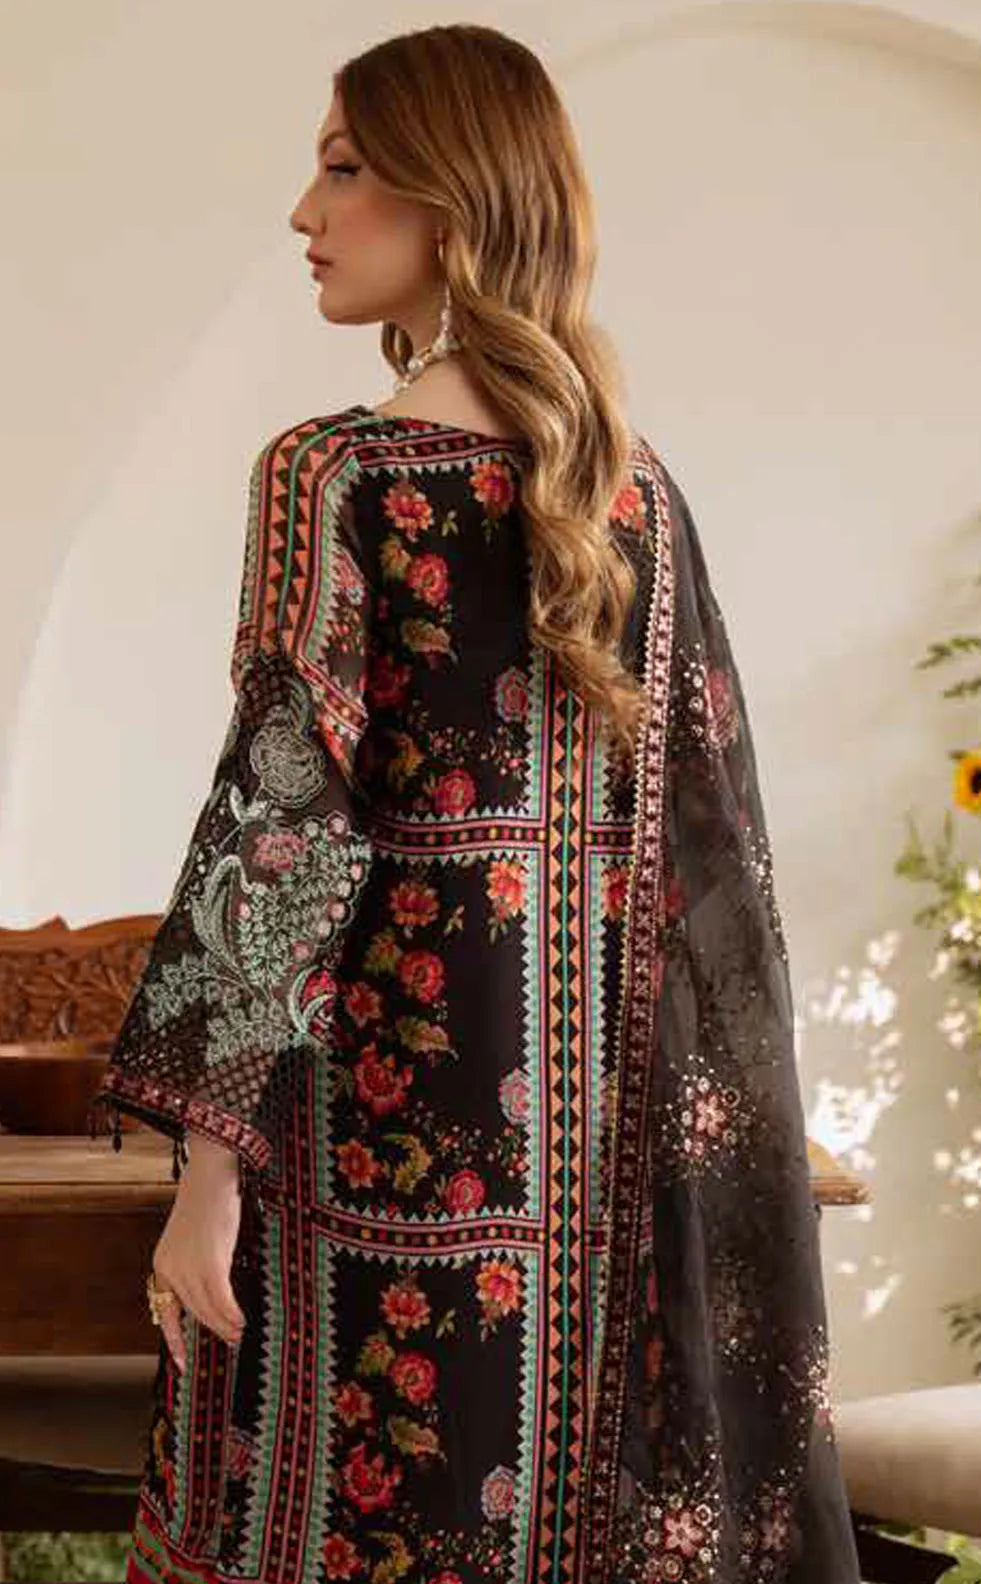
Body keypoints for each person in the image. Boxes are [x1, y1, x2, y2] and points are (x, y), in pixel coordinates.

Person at [87, 22, 861, 1584]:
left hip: (367, 1130)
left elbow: (285, 826)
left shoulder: (336, 476)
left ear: (447, 201)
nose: (304, 212)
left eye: (341, 168)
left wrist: (206, 1173)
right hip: (593, 1162)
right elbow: (706, 867)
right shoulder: (632, 492)